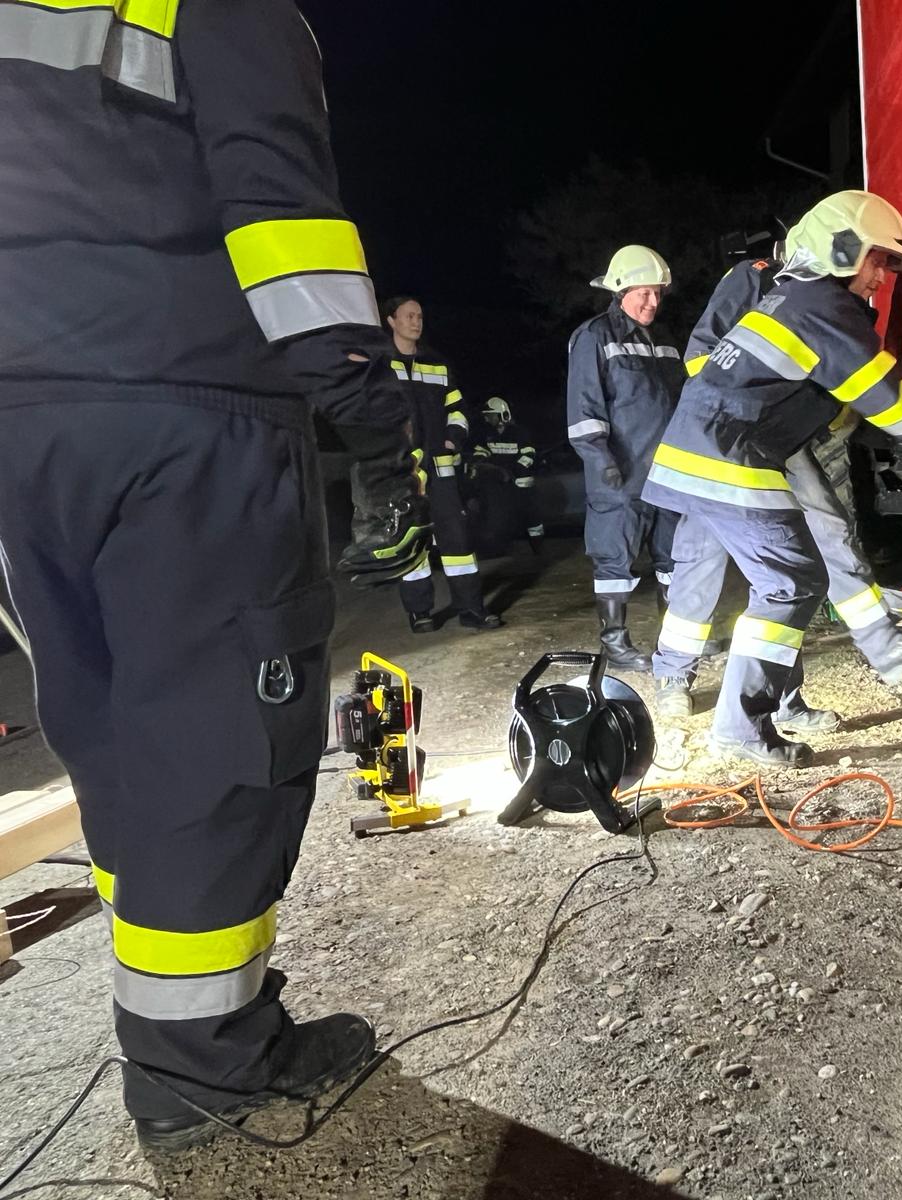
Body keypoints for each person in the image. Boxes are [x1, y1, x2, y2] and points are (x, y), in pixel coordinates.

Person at [0, 0, 423, 1150]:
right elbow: (283, 220)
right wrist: (374, 424)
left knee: (113, 733)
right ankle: (202, 1065)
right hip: (184, 415)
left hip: (22, 438)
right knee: (215, 741)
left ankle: (176, 1034)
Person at [642, 191, 902, 766]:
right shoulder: (822, 306)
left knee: (795, 575)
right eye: (877, 260)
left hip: (731, 446)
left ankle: (771, 706)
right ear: (841, 249)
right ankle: (738, 723)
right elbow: (892, 404)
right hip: (732, 452)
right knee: (788, 582)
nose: (883, 278)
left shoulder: (797, 296)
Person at [566, 245, 683, 671]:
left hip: (667, 473)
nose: (653, 302)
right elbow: (583, 408)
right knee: (615, 559)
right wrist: (601, 461)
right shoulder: (594, 336)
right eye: (644, 293)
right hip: (620, 473)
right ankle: (616, 644)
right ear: (620, 291)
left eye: (658, 293)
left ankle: (677, 641)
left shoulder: (665, 340)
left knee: (674, 559)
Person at [380, 296, 503, 632]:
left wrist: (452, 440)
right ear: (391, 320)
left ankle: (471, 609)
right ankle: (420, 612)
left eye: (419, 316)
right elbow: (371, 416)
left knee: (457, 542)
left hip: (441, 469)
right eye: (409, 316)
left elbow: (458, 409)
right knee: (411, 540)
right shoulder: (379, 364)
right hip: (401, 472)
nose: (416, 322)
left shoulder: (438, 363)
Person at [468, 395, 545, 554]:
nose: (487, 419)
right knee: (501, 516)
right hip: (501, 483)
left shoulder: (519, 433)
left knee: (531, 516)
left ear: (502, 415)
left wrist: (513, 470)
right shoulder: (488, 434)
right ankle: (505, 547)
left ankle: (538, 547)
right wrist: (478, 461)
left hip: (522, 484)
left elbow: (529, 455)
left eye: (490, 415)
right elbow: (481, 451)